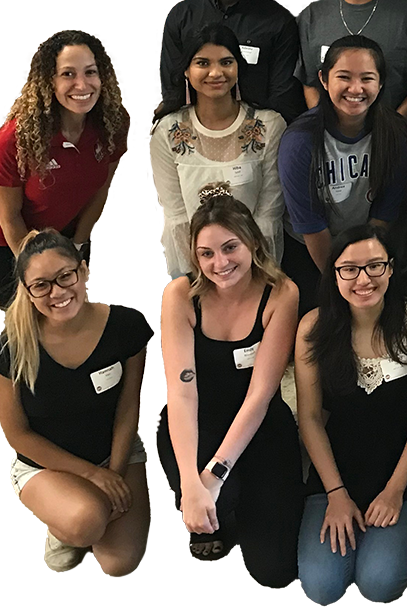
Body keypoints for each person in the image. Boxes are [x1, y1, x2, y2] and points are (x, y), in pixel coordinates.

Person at [0, 229, 152, 576]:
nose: (58, 292)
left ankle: (86, 509)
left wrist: (114, 474)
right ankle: (62, 527)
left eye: (65, 276)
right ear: (27, 293)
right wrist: (93, 476)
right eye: (41, 285)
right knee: (85, 522)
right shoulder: (6, 351)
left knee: (120, 566)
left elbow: (127, 409)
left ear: (84, 271)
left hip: (114, 452)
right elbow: (19, 436)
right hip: (46, 466)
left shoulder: (127, 326)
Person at [156, 183, 302, 586]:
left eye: (230, 247)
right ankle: (210, 511)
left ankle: (225, 498)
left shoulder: (282, 293)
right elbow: (182, 393)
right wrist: (191, 483)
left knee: (275, 571)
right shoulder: (180, 295)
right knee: (208, 502)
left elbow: (260, 395)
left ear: (253, 244)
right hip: (197, 421)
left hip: (259, 423)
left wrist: (214, 477)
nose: (219, 263)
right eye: (206, 253)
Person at [295, 224, 407, 605]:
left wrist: (395, 490)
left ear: (391, 269)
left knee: (378, 583)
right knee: (322, 588)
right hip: (336, 475)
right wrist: (336, 494)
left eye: (375, 266)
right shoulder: (313, 327)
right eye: (350, 269)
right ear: (334, 273)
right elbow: (308, 417)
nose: (363, 279)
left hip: (402, 477)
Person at [0, 29, 130, 308]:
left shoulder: (112, 124)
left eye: (90, 72)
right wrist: (38, 271)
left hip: (67, 234)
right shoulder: (16, 138)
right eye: (68, 74)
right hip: (7, 243)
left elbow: (100, 190)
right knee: (29, 322)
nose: (82, 85)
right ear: (49, 81)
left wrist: (78, 246)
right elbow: (8, 216)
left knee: (68, 312)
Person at [279, 35, 407, 316]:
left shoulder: (395, 134)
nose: (356, 88)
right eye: (344, 77)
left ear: (381, 82)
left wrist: (365, 271)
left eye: (367, 78)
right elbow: (311, 225)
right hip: (311, 254)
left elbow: (383, 215)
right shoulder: (299, 142)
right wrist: (340, 279)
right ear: (324, 80)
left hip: (369, 250)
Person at [150, 22, 287, 278]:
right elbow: (177, 217)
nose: (216, 73)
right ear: (186, 71)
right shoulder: (167, 131)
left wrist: (242, 271)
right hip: (194, 272)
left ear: (238, 68)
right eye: (203, 63)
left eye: (226, 62)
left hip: (255, 270)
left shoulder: (269, 125)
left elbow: (269, 214)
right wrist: (205, 274)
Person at [160, 0, 303, 122]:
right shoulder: (182, 16)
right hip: (194, 134)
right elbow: (172, 88)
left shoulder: (279, 20)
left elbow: (283, 95)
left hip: (260, 134)